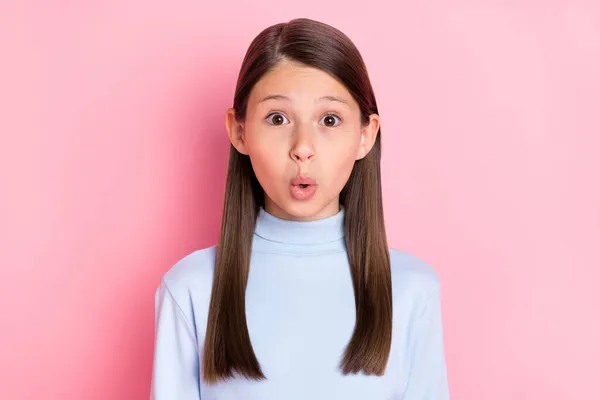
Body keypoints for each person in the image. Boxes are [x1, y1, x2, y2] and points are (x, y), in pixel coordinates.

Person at [150, 17, 450, 400]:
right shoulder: (190, 288)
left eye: (329, 119)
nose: (303, 147)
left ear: (365, 135)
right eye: (278, 118)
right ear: (239, 131)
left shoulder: (412, 290)